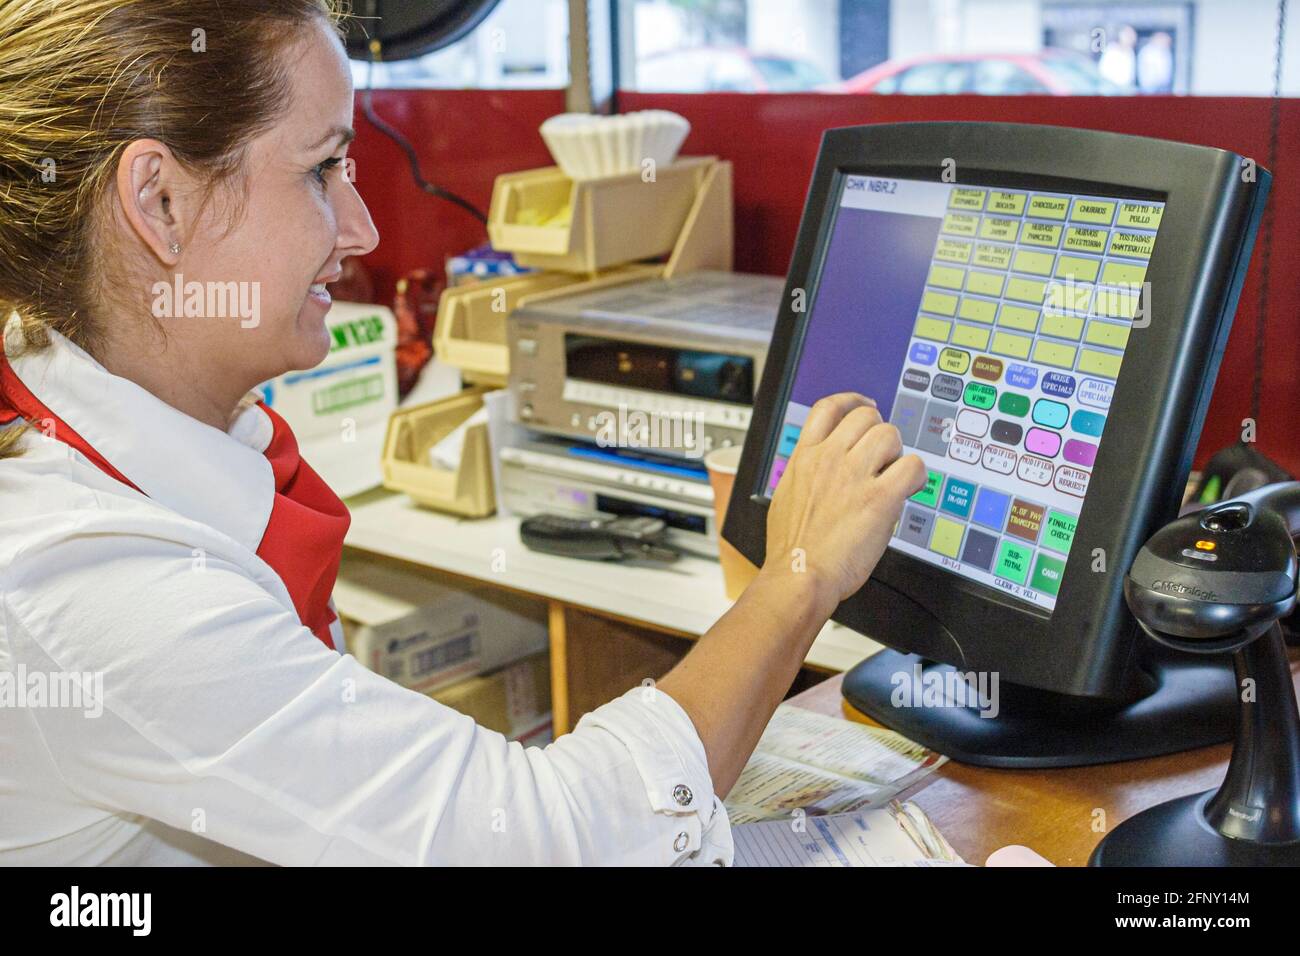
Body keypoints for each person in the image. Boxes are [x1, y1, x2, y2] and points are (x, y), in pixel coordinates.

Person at [0, 0, 925, 866]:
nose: (360, 227)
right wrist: (798, 577)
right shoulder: (88, 580)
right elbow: (556, 842)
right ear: (158, 203)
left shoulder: (121, 430)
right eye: (322, 169)